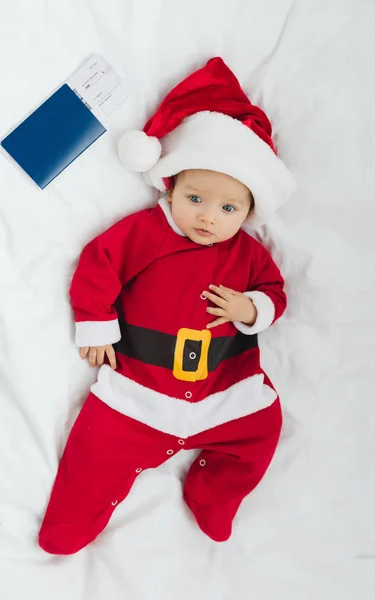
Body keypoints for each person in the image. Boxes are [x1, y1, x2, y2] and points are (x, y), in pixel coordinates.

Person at [38, 57, 295, 555]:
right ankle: (71, 524)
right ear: (171, 186)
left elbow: (276, 293)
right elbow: (98, 265)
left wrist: (251, 308)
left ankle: (213, 489)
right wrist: (97, 326)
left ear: (248, 211)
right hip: (142, 389)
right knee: (95, 447)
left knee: (263, 429)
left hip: (225, 388)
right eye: (196, 198)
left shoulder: (247, 254)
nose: (208, 218)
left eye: (228, 209)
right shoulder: (147, 233)